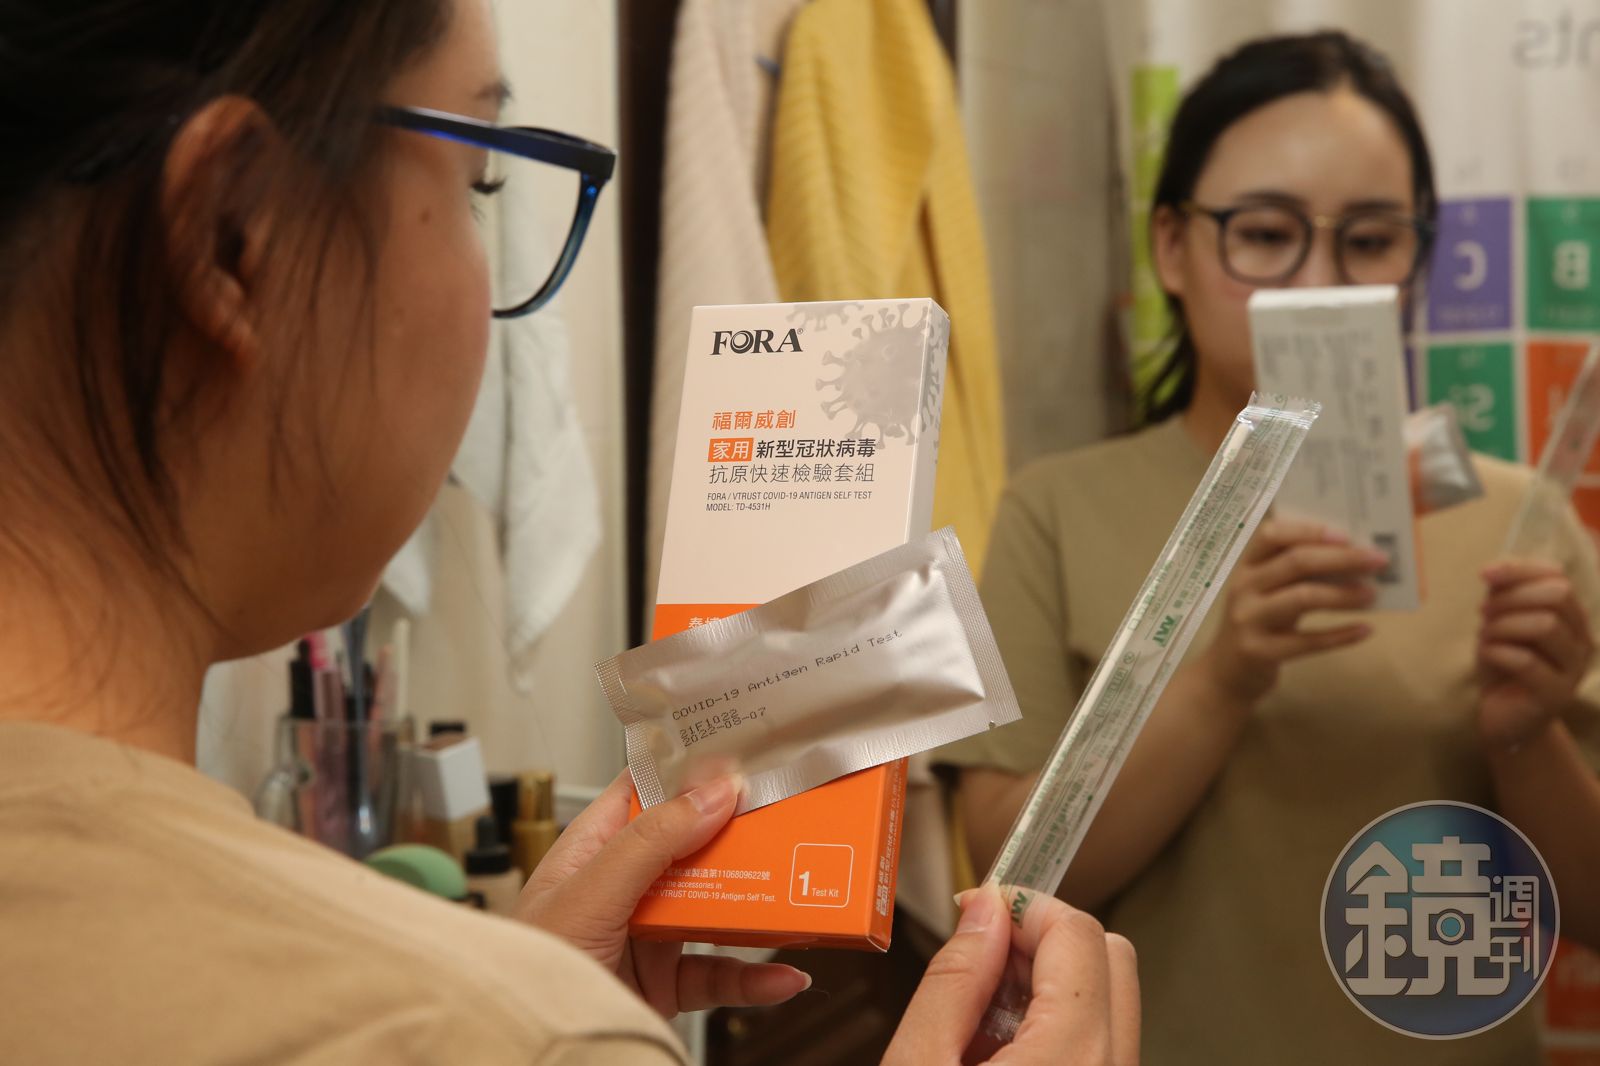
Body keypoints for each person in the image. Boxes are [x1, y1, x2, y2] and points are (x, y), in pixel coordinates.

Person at [0, 1, 1140, 1063]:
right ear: (234, 233)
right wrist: (532, 1024)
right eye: (480, 183)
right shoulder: (475, 1033)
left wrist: (528, 990)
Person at [939, 29, 1600, 1066]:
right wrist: (1222, 678)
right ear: (1171, 246)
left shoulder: (1519, 525)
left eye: (1370, 241)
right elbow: (1006, 885)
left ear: (1419, 262)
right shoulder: (1054, 511)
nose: (1316, 283)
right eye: (1263, 233)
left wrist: (1527, 737)